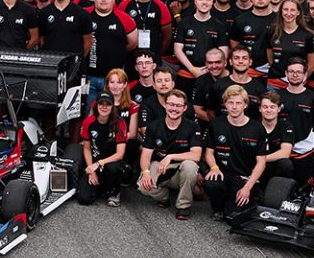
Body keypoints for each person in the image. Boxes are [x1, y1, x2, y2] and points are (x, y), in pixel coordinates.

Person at [203, 86, 283, 220]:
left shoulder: (257, 128)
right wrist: (214, 168)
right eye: (230, 102)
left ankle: (237, 202)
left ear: (245, 105)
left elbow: (261, 162)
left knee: (234, 217)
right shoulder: (216, 124)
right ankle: (218, 207)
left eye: (238, 103)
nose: (234, 107)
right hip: (224, 173)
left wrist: (248, 187)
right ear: (225, 104)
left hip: (245, 178)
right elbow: (209, 153)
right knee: (211, 183)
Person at [139, 89, 202, 220]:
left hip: (181, 168)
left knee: (190, 166)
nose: (174, 109)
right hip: (160, 166)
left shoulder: (192, 127)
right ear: (165, 105)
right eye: (171, 104)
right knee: (142, 186)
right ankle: (165, 197)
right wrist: (145, 172)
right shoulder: (154, 126)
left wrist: (170, 156)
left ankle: (183, 206)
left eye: (178, 106)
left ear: (185, 108)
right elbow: (145, 154)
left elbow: (196, 155)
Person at [76, 97, 134, 207]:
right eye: (101, 104)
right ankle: (100, 188)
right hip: (94, 163)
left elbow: (120, 154)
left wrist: (99, 163)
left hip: (112, 162)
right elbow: (87, 148)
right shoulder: (88, 122)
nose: (104, 107)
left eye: (108, 104)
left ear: (112, 107)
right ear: (96, 106)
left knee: (113, 168)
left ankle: (114, 192)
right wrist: (91, 170)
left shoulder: (120, 123)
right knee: (84, 199)